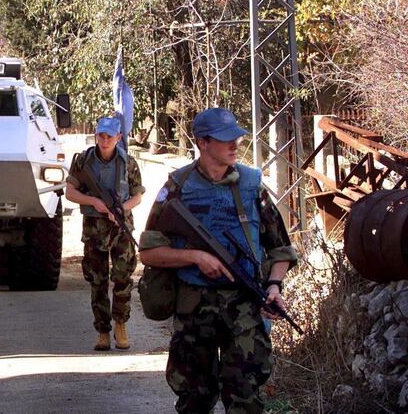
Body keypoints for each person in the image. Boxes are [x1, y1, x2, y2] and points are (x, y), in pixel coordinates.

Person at [138, 107, 299, 413]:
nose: (234, 145)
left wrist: (275, 285)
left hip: (244, 308)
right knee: (195, 399)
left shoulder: (252, 186)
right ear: (202, 142)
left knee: (245, 397)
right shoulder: (178, 187)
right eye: (225, 140)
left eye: (236, 138)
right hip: (194, 309)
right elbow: (148, 252)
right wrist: (195, 257)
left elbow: (280, 249)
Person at [65, 116, 144, 351]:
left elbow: (137, 196)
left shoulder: (128, 162)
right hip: (93, 229)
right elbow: (70, 192)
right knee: (97, 281)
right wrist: (93, 201)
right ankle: (102, 331)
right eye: (101, 135)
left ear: (119, 137)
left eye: (110, 136)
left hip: (120, 227)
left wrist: (119, 210)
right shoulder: (83, 161)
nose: (105, 140)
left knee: (122, 279)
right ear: (96, 135)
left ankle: (121, 324)